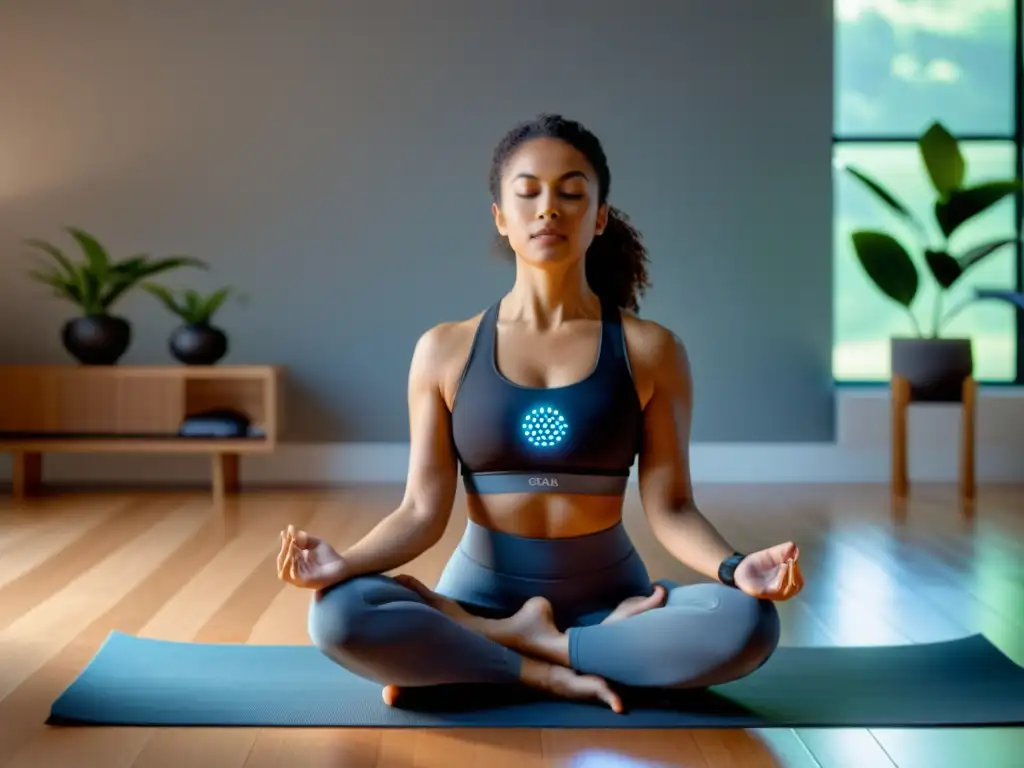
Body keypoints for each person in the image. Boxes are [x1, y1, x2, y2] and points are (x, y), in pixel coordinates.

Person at [276, 113, 804, 714]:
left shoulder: (652, 350)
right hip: (480, 593)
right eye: (527, 193)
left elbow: (672, 506)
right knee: (339, 615)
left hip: (614, 601)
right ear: (501, 218)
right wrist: (345, 563)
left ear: (599, 217)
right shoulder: (444, 349)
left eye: (572, 193)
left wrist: (737, 569)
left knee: (746, 625)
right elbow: (421, 511)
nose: (548, 208)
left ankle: (494, 654)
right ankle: (540, 658)